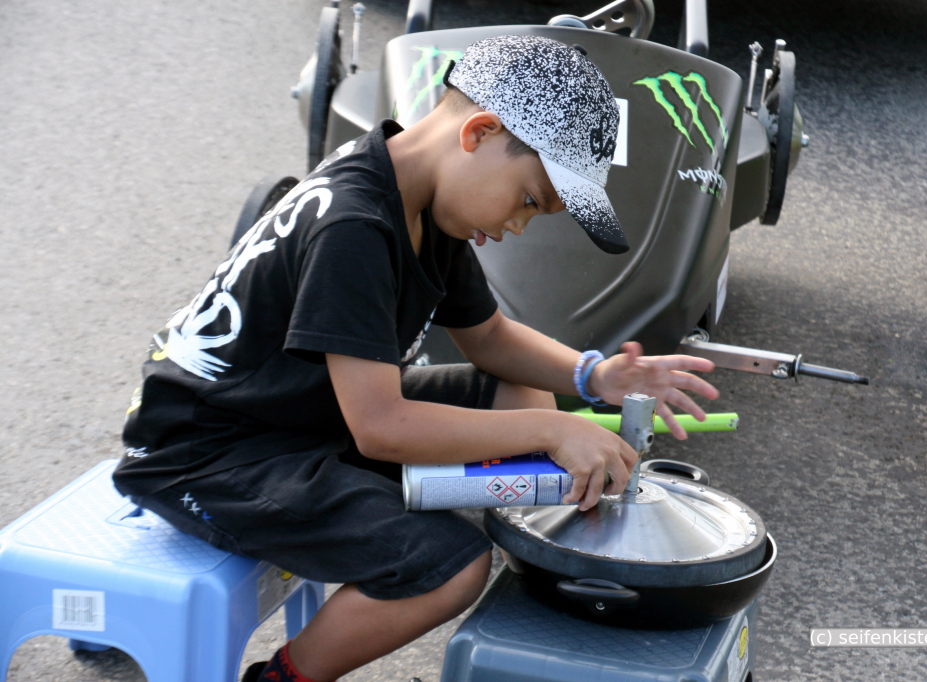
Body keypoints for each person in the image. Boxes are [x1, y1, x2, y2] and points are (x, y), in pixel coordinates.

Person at [113, 34, 719, 682]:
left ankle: (468, 516)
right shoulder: (355, 225)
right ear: (479, 132)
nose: (519, 225)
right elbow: (382, 427)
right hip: (214, 452)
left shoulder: (422, 195)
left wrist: (594, 375)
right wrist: (552, 431)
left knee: (516, 394)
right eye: (528, 200)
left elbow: (489, 338)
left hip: (303, 410)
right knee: (447, 568)